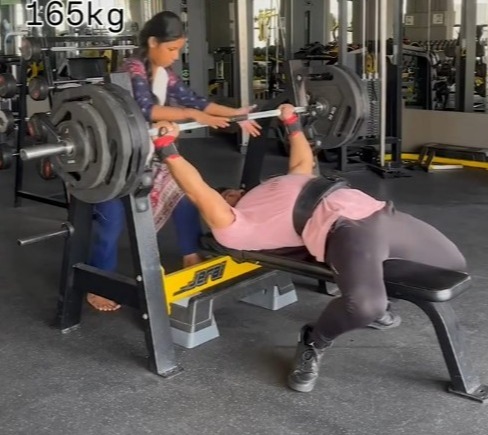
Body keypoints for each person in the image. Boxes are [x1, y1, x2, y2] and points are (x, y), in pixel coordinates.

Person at [151, 104, 467, 393]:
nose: (232, 191)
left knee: (452, 265)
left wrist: (292, 123)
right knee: (364, 306)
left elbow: (303, 162)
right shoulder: (235, 226)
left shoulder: (273, 186)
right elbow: (199, 190)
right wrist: (168, 149)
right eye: (227, 193)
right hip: (345, 231)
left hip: (379, 212)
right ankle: (313, 341)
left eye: (232, 189)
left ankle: (369, 285)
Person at [87, 11, 262, 311]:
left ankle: (190, 254)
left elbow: (195, 99)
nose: (175, 55)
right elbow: (146, 109)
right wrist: (193, 116)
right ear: (152, 42)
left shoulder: (164, 74)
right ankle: (98, 281)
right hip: (112, 161)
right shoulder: (133, 68)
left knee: (183, 194)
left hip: (145, 158)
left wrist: (236, 114)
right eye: (171, 49)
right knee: (111, 220)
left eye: (178, 49)